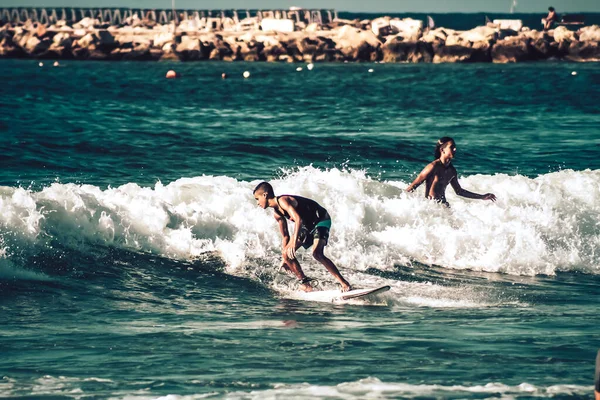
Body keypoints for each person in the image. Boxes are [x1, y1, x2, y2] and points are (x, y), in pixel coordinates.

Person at [253, 181, 351, 292]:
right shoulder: (277, 214)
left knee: (317, 253)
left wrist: (294, 241)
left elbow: (298, 219)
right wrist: (285, 258)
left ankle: (344, 283)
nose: (257, 203)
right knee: (286, 253)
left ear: (265, 195)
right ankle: (306, 284)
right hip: (306, 225)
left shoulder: (283, 201)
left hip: (320, 219)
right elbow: (285, 236)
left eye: (257, 198)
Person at [405, 137, 497, 207]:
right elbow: (412, 187)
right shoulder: (432, 167)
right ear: (442, 150)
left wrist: (482, 197)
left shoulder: (452, 170)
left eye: (455, 147)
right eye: (452, 147)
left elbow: (459, 191)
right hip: (431, 209)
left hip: (444, 208)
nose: (455, 149)